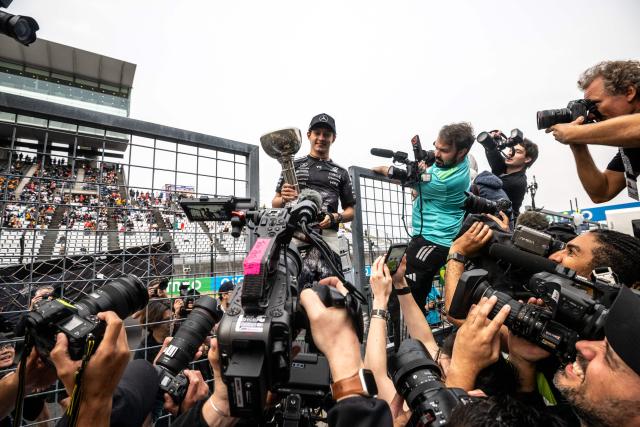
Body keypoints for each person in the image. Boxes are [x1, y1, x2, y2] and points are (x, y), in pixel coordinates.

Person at [373, 122, 474, 314]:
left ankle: (407, 339)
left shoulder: (445, 182)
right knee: (415, 292)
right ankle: (415, 340)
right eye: (436, 147)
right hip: (432, 237)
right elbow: (425, 174)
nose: (436, 154)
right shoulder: (460, 162)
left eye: (443, 150)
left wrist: (383, 169)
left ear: (462, 152)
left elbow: (405, 178)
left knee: (407, 295)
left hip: (433, 241)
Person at [545, 60, 640, 202]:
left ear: (629, 92)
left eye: (595, 104)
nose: (591, 114)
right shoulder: (631, 145)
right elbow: (602, 192)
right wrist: (577, 144)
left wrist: (574, 133)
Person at [272, 113, 356, 253]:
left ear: (333, 138)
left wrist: (335, 217)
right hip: (295, 235)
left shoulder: (341, 172)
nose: (321, 138)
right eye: (317, 133)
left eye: (326, 134)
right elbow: (275, 202)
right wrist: (284, 198)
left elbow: (351, 212)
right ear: (309, 135)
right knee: (292, 275)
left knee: (330, 275)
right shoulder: (291, 165)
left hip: (328, 237)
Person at [478, 130, 539, 216]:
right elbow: (491, 149)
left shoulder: (518, 182)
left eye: (517, 152)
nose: (510, 153)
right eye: (511, 149)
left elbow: (484, 184)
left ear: (527, 159)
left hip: (504, 223)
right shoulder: (503, 167)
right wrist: (493, 139)